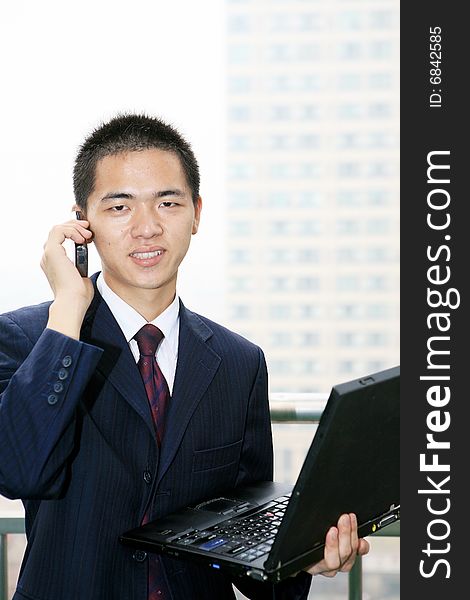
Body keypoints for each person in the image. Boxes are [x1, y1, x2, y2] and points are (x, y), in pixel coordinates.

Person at [0, 114, 369, 600]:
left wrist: (303, 556)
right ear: (81, 223)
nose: (147, 228)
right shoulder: (33, 338)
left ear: (196, 213)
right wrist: (68, 307)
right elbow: (16, 471)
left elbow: (242, 543)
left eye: (168, 203)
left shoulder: (240, 362)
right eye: (119, 207)